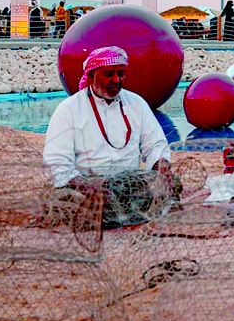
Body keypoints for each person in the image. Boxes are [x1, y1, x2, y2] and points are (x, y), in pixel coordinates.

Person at [42, 47, 174, 226]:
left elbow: (155, 144)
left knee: (172, 184)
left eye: (121, 74)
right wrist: (87, 186)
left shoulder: (137, 103)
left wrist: (162, 167)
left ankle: (121, 214)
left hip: (129, 183)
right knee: (70, 202)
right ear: (91, 76)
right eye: (108, 74)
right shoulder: (69, 109)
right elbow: (56, 162)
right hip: (86, 183)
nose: (116, 80)